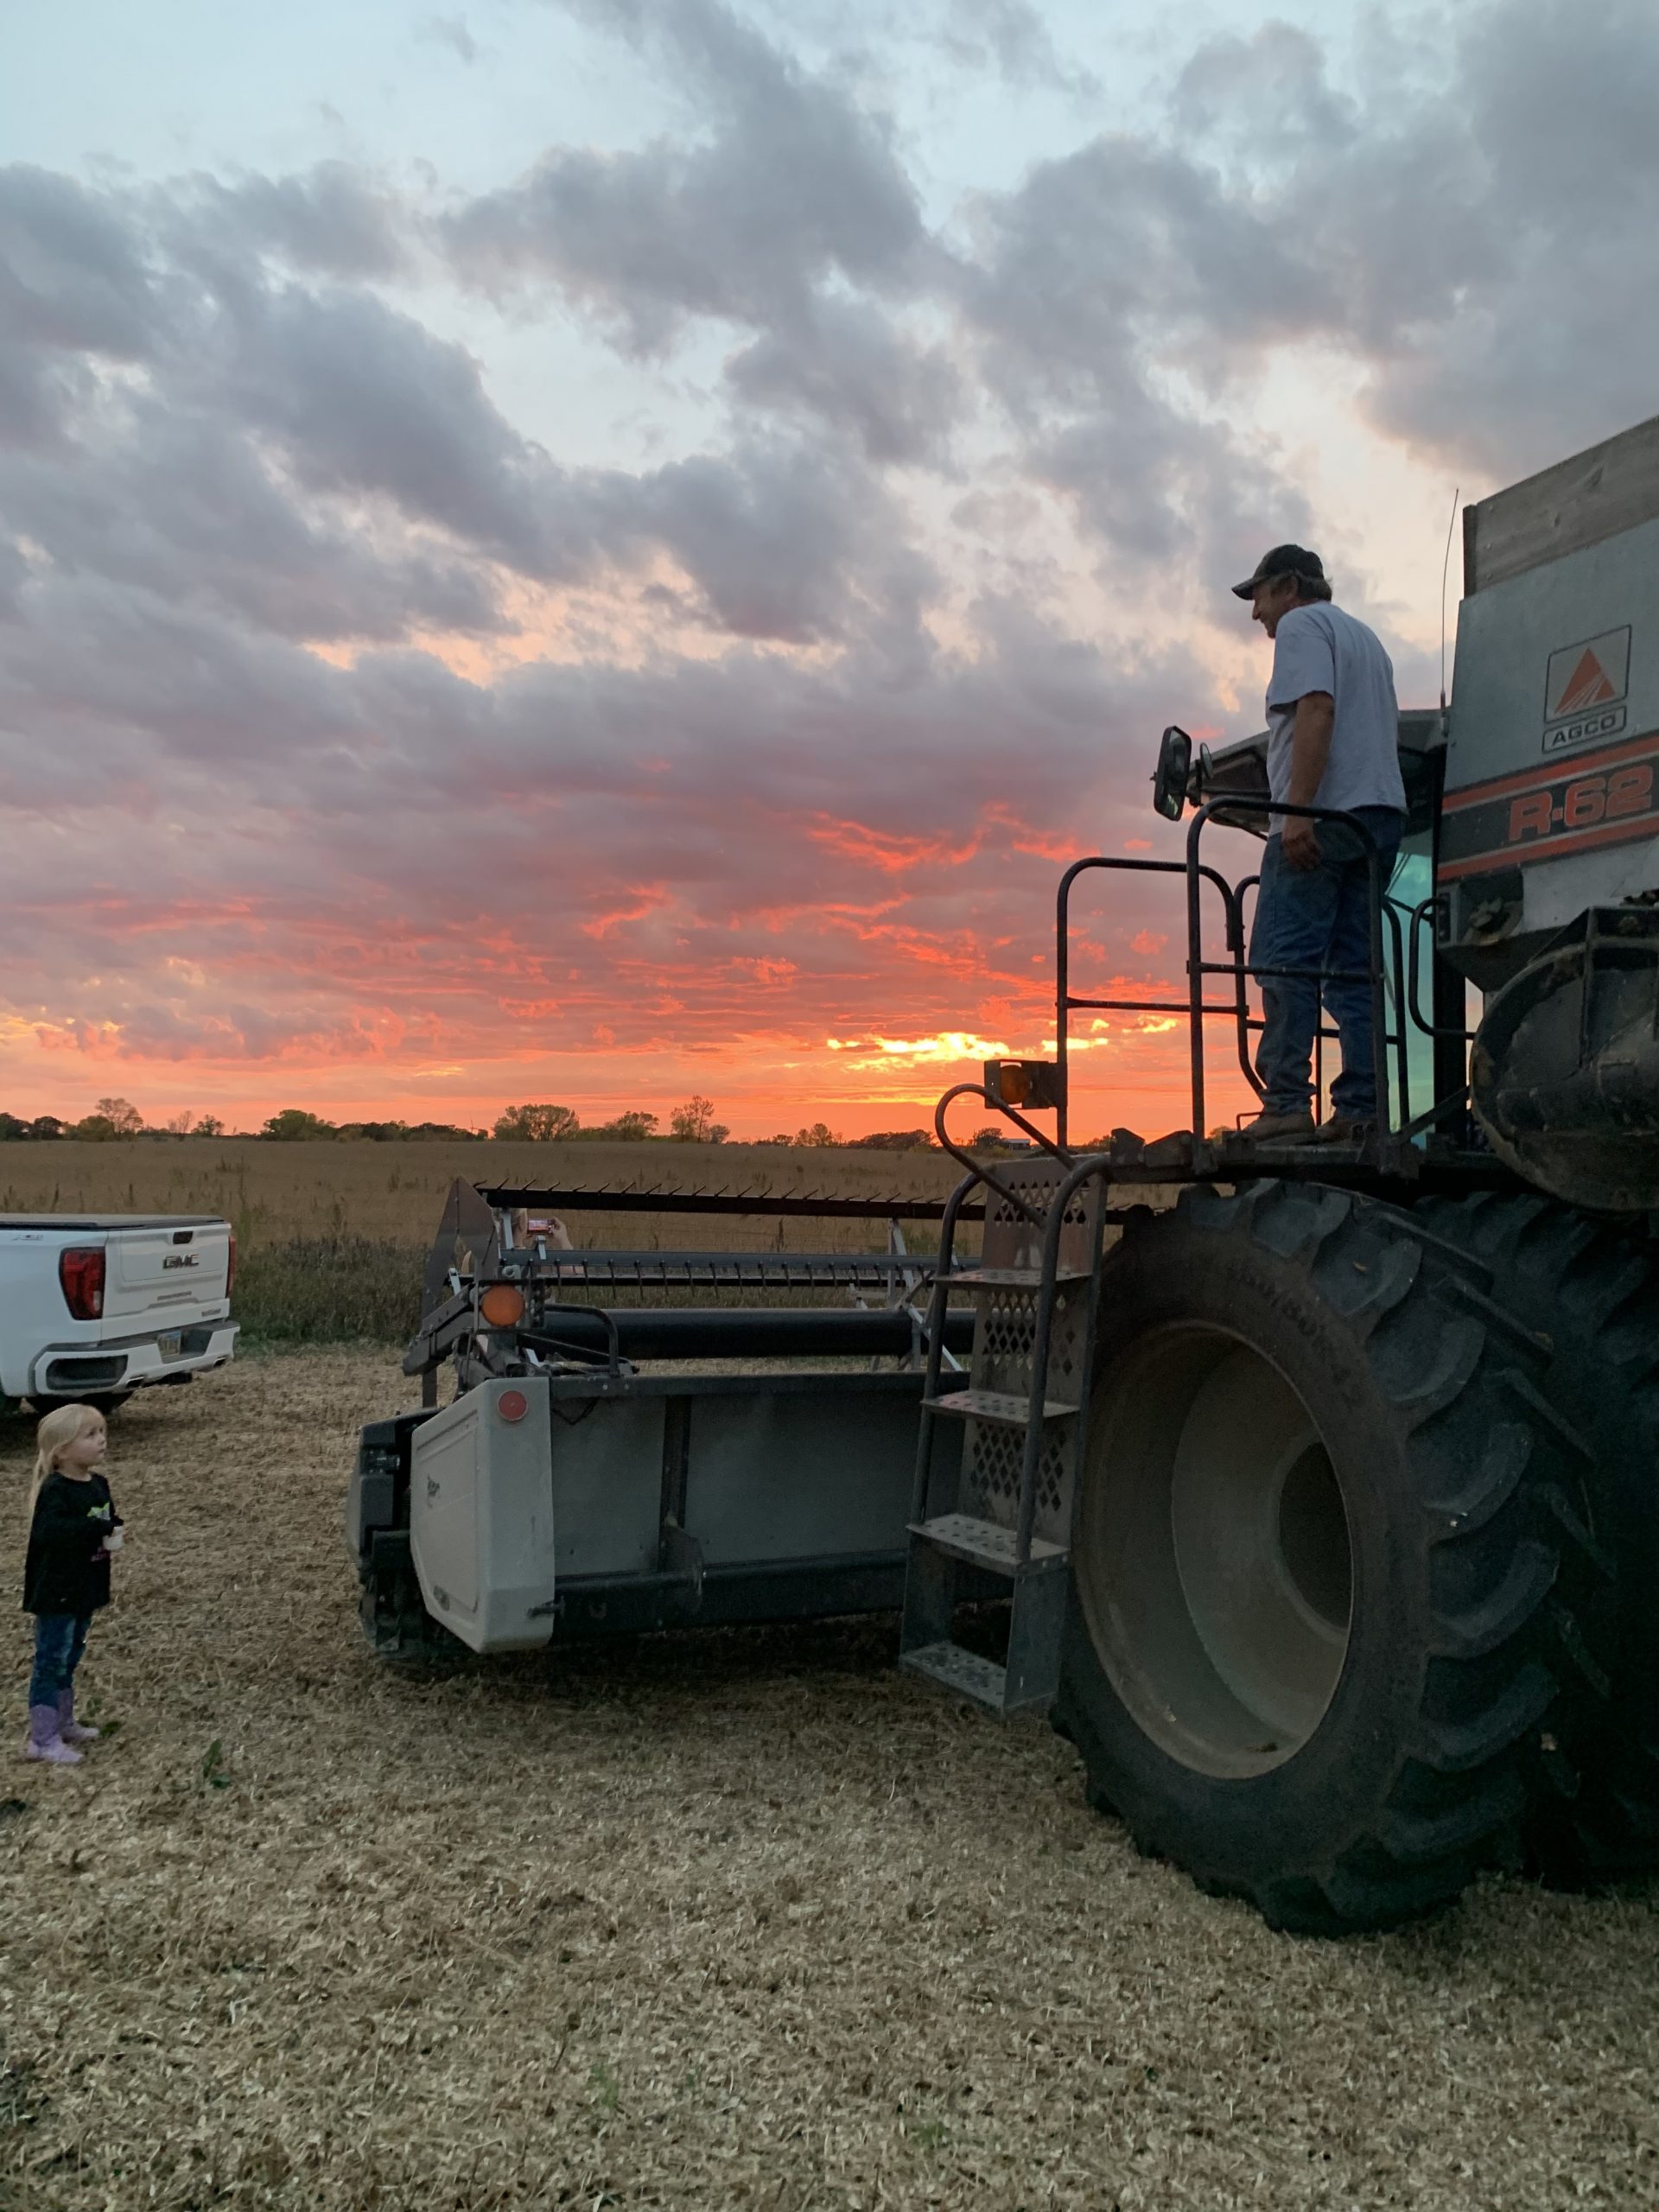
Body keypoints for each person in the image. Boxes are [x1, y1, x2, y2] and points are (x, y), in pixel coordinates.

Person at [1233, 544, 1407, 1143]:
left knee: (1284, 961)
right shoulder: (1367, 639)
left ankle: (1285, 1104)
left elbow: (1317, 708)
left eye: (1257, 596)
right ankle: (1361, 1109)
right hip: (1379, 819)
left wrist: (1298, 812)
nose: (1256, 614)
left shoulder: (1302, 626)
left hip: (1326, 817)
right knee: (1354, 971)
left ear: (1287, 586)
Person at [22, 1403, 123, 1767]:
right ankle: (42, 1738)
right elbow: (52, 1533)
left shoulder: (98, 1485)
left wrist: (113, 1526)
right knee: (51, 1659)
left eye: (102, 1433)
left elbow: (104, 1519)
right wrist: (96, 1529)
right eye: (90, 1435)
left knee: (71, 1654)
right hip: (57, 1589)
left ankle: (64, 1722)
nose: (101, 1441)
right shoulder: (55, 1490)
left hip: (85, 1586)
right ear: (61, 1451)